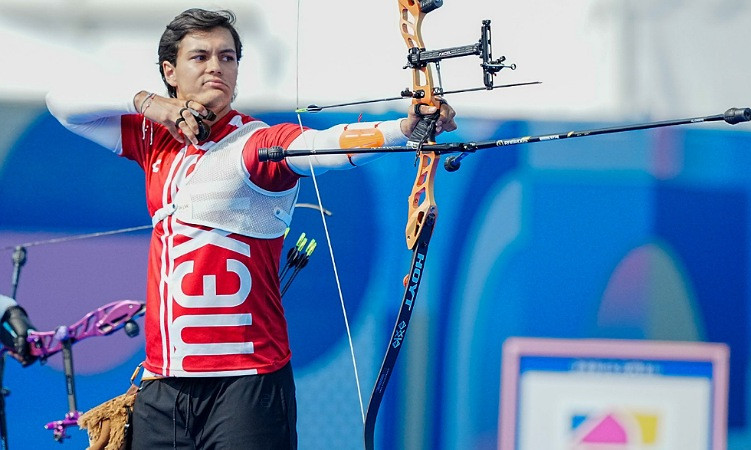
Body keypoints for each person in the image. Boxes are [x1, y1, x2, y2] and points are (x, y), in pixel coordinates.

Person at [46, 8, 457, 449]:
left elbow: (323, 144)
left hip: (246, 387)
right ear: (170, 71)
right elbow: (62, 103)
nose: (216, 67)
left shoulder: (256, 143)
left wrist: (405, 129)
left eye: (227, 57)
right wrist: (152, 103)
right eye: (199, 57)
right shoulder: (153, 139)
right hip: (162, 387)